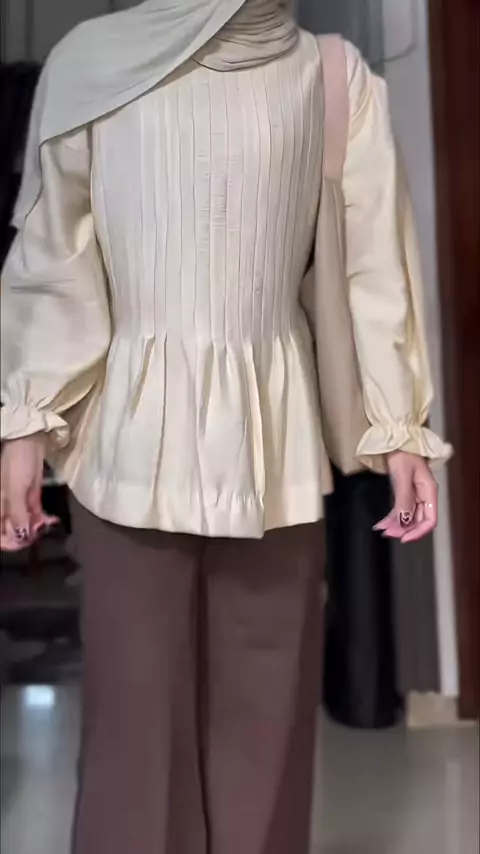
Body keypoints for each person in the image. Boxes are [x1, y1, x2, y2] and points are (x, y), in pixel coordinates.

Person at [0, 1, 451, 852]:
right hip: (128, 442)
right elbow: (54, 260)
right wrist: (24, 425)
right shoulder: (91, 63)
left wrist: (400, 428)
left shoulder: (331, 76)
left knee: (267, 734)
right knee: (135, 743)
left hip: (275, 441)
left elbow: (374, 264)